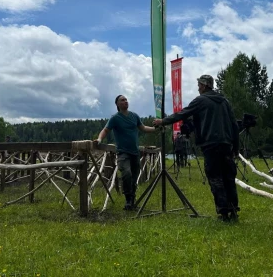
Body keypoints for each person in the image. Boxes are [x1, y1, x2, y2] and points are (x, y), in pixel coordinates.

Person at [153, 74, 240, 222]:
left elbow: (181, 114)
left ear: (205, 85)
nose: (198, 88)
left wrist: (163, 121)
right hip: (226, 145)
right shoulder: (225, 101)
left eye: (199, 85)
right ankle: (233, 211)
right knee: (228, 177)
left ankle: (223, 212)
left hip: (210, 145)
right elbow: (234, 125)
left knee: (215, 178)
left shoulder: (200, 101)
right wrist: (236, 147)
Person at [96, 95, 156, 211]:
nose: (125, 102)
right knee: (126, 173)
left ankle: (132, 199)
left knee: (134, 177)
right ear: (117, 104)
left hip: (135, 152)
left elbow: (143, 128)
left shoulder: (134, 116)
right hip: (123, 152)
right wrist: (99, 139)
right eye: (122, 100)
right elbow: (105, 130)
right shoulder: (115, 118)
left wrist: (156, 129)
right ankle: (128, 199)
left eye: (126, 100)